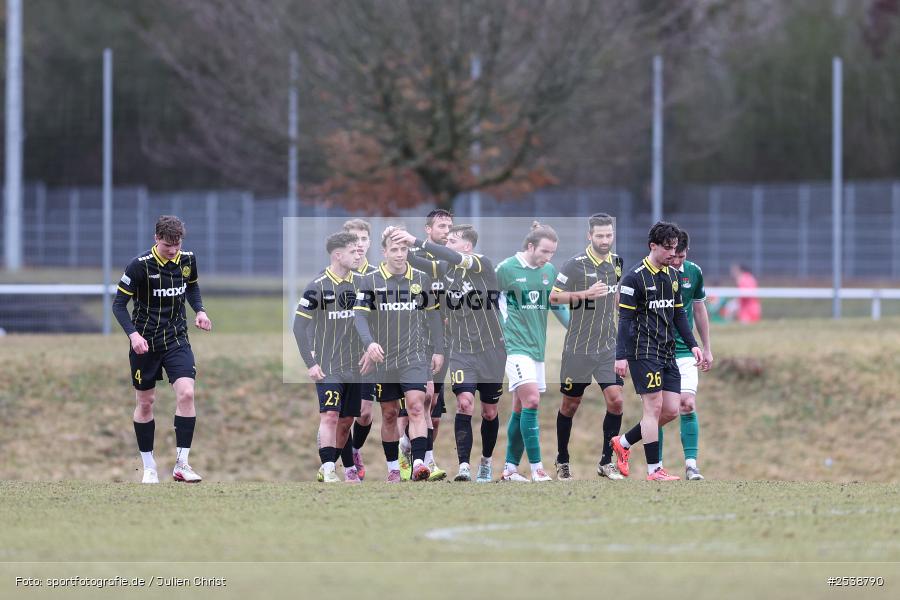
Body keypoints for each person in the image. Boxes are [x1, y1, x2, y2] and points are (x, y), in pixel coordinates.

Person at [392, 224, 506, 483]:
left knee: (489, 411)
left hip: (492, 350)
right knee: (465, 403)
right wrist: (397, 241)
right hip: (461, 351)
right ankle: (464, 465)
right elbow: (416, 262)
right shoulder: (445, 270)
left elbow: (450, 257)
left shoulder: (481, 264)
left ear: (467, 246)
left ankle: (486, 462)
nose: (448, 245)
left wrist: (418, 241)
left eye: (453, 241)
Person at [112, 215, 212, 484]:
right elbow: (118, 305)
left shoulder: (187, 259)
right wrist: (133, 335)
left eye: (177, 245)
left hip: (177, 339)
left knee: (187, 393)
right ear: (156, 239)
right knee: (146, 402)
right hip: (145, 344)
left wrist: (200, 311)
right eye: (168, 245)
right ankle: (149, 467)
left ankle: (182, 464)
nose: (173, 251)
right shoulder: (139, 266)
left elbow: (192, 287)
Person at [610, 221, 703, 481]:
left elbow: (679, 316)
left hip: (668, 352)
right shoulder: (634, 278)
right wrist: (621, 356)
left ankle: (625, 442)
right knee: (652, 408)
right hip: (643, 351)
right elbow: (624, 321)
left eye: (675, 248)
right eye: (668, 249)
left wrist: (693, 344)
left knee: (672, 409)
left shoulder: (672, 276)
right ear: (653, 246)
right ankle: (654, 470)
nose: (673, 254)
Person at [353, 226, 444, 482]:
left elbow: (434, 316)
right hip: (384, 359)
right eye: (394, 249)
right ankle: (394, 467)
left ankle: (417, 464)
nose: (400, 254)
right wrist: (370, 344)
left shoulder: (420, 279)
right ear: (384, 252)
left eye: (404, 249)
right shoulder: (371, 281)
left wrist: (438, 349)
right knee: (390, 413)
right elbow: (359, 315)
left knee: (416, 407)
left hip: (414, 355)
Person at [549, 213, 625, 481]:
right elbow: (554, 297)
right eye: (600, 235)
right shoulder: (574, 265)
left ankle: (606, 462)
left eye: (609, 235)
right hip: (578, 348)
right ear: (589, 236)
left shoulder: (617, 263)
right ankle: (562, 460)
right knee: (570, 405)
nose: (605, 240)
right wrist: (584, 295)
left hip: (607, 347)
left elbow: (615, 298)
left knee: (616, 401)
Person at [496, 222, 569, 482]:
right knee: (532, 402)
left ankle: (510, 469)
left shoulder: (548, 271)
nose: (548, 258)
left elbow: (556, 305)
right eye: (544, 252)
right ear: (530, 247)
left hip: (537, 348)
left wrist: (574, 328)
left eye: (552, 253)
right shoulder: (506, 269)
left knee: (519, 407)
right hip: (514, 347)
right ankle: (537, 468)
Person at [293, 232, 365, 483]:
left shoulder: (362, 284)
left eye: (359, 251)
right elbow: (298, 327)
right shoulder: (317, 286)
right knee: (330, 416)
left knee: (346, 422)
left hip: (355, 367)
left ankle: (329, 466)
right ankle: (328, 468)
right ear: (337, 255)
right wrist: (310, 363)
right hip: (328, 365)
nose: (359, 255)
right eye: (353, 251)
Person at [397, 209, 454, 481]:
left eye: (450, 226)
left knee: (435, 402)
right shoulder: (415, 258)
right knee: (418, 400)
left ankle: (424, 457)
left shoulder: (450, 259)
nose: (447, 231)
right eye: (442, 226)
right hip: (417, 340)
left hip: (444, 339)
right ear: (428, 230)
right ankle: (406, 454)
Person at [660, 229, 713, 481]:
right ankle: (655, 465)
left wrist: (707, 347)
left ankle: (691, 465)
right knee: (657, 409)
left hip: (685, 351)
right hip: (657, 351)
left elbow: (700, 310)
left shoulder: (693, 272)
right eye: (674, 255)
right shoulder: (654, 272)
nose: (677, 260)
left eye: (681, 255)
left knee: (687, 404)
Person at [342, 218, 381, 480]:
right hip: (341, 354)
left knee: (365, 414)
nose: (360, 245)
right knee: (344, 415)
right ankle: (348, 470)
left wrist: (371, 346)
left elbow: (382, 317)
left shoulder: (378, 275)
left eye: (364, 239)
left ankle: (354, 449)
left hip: (368, 354)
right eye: (354, 240)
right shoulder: (339, 274)